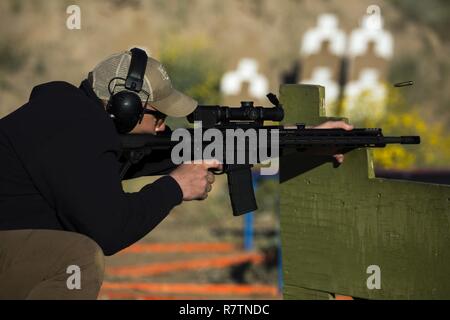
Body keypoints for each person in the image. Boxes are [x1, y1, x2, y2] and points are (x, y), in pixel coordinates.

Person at [0, 47, 352, 300]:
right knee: (78, 258)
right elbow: (109, 232)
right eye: (159, 116)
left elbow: (185, 147)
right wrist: (174, 187)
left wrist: (306, 139)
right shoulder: (75, 132)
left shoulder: (75, 120)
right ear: (126, 108)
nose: (162, 128)